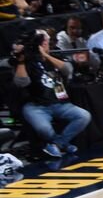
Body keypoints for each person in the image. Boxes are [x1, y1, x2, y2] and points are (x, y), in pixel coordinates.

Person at [11, 28, 91, 160]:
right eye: (40, 43)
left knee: (84, 116)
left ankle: (57, 145)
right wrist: (21, 61)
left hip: (60, 103)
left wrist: (46, 56)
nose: (43, 46)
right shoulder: (26, 61)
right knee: (44, 129)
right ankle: (62, 144)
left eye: (44, 42)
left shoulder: (54, 57)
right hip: (36, 105)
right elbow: (22, 83)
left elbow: (67, 70)